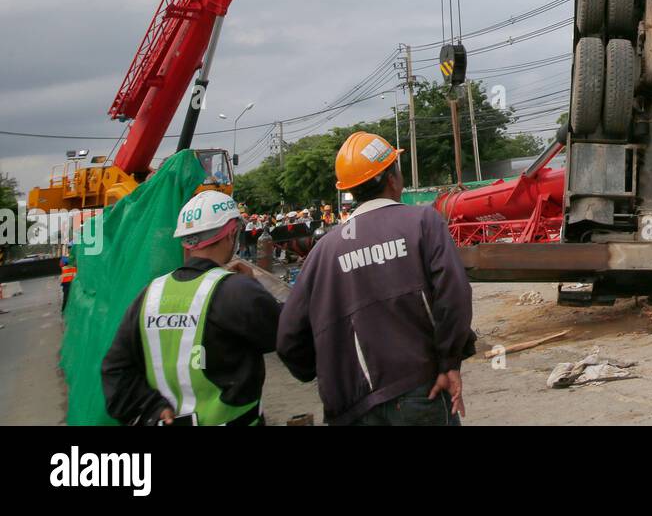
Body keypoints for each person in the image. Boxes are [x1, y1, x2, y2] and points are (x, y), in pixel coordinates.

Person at [277, 132, 475, 426]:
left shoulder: (323, 252)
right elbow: (454, 295)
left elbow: (289, 338)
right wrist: (449, 362)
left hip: (351, 407)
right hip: (420, 390)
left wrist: (331, 372)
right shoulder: (423, 223)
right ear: (392, 179)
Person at [101, 190, 281, 426]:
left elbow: (115, 371)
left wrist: (152, 408)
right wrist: (255, 289)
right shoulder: (238, 291)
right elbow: (284, 335)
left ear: (185, 242)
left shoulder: (149, 296)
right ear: (231, 234)